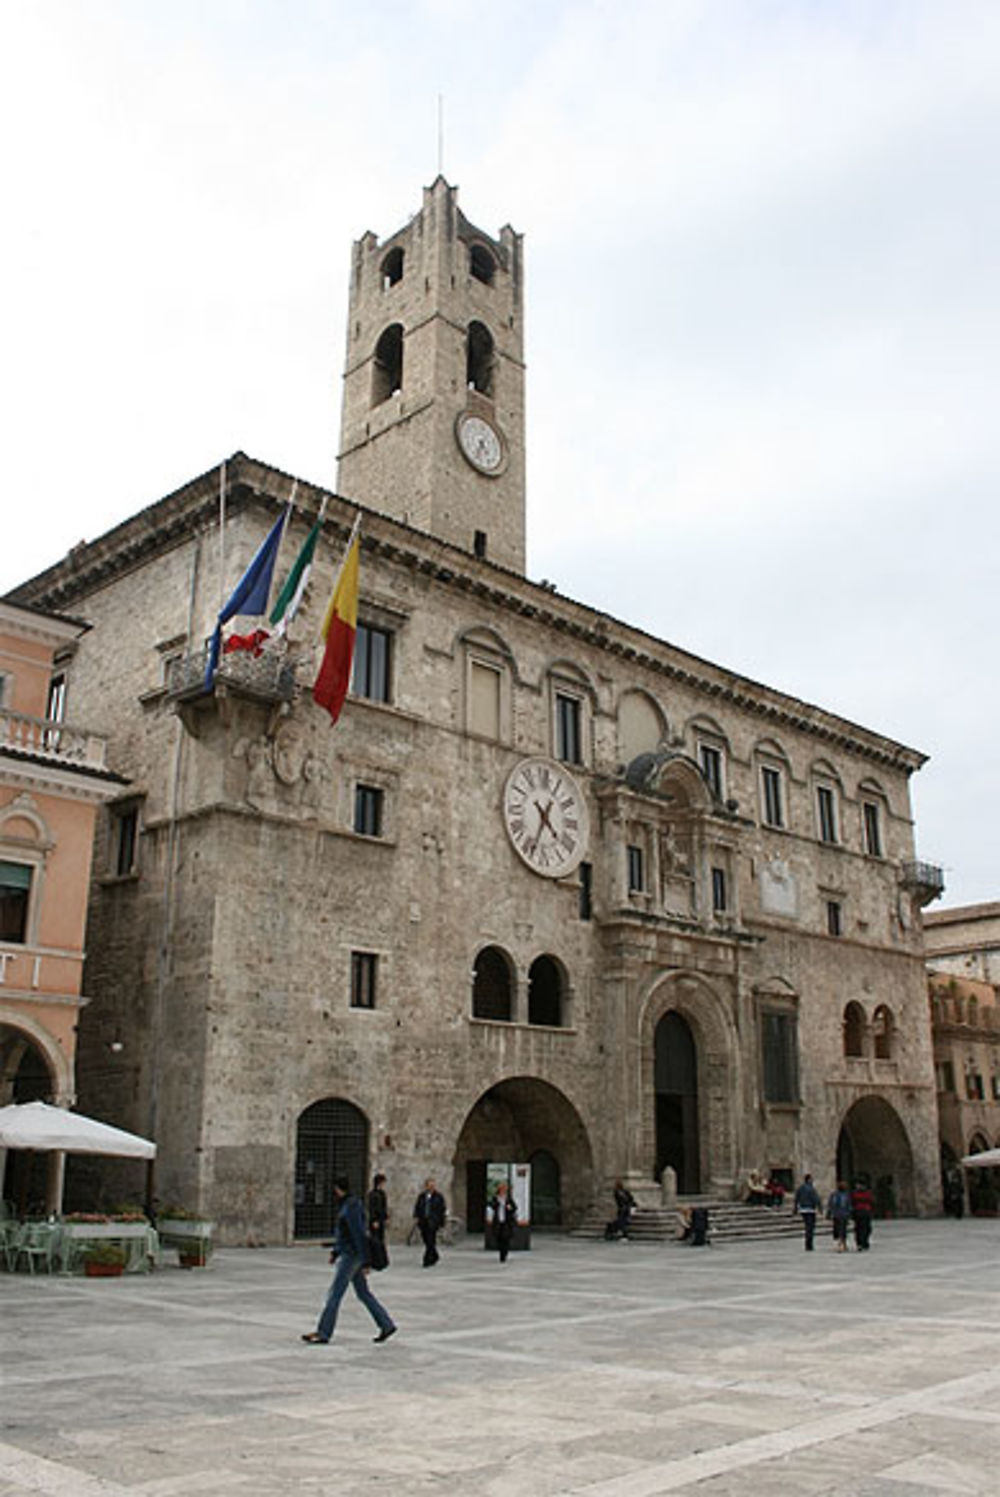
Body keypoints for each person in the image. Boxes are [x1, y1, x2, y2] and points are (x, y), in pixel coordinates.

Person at [301, 1176, 396, 1345]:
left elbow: (358, 1234)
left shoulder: (351, 1206)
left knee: (335, 1294)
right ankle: (386, 1324)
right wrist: (336, 1252)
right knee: (363, 1293)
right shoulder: (348, 1205)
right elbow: (344, 1234)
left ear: (338, 1189)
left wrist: (366, 1261)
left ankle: (323, 1332)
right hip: (349, 1253)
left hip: (352, 1256)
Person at [413, 1177, 446, 1267]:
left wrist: (441, 1221)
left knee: (431, 1239)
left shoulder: (439, 1197)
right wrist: (416, 1216)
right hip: (423, 1221)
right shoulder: (422, 1196)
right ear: (426, 1186)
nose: (431, 1187)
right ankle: (435, 1255)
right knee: (426, 1239)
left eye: (433, 1185)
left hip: (433, 1221)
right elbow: (417, 1207)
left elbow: (442, 1209)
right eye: (429, 1185)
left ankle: (427, 1260)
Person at [487, 1179, 517, 1263]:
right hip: (498, 1221)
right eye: (501, 1190)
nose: (502, 1192)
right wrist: (497, 1204)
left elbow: (514, 1208)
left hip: (506, 1222)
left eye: (504, 1190)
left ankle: (503, 1254)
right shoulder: (495, 1198)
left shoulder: (508, 1199)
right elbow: (491, 1206)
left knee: (505, 1238)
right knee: (498, 1238)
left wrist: (509, 1208)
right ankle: (501, 1251)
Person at [367, 1171, 389, 1271]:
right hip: (375, 1220)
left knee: (380, 1239)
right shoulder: (372, 1194)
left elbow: (384, 1207)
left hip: (381, 1220)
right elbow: (371, 1208)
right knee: (375, 1240)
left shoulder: (382, 1194)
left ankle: (381, 1261)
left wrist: (386, 1218)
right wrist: (374, 1220)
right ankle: (375, 1261)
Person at [793, 1173, 821, 1250]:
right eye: (811, 1179)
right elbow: (816, 1199)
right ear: (809, 1180)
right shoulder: (811, 1189)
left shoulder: (800, 1188)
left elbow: (796, 1198)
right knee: (810, 1227)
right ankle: (809, 1244)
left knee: (807, 1226)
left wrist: (795, 1209)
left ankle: (808, 1243)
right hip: (810, 1209)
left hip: (803, 1209)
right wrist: (819, 1208)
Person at [826, 1180, 852, 1252]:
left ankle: (839, 1244)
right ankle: (842, 1244)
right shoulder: (846, 1195)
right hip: (843, 1215)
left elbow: (831, 1205)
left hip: (836, 1215)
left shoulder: (834, 1195)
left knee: (837, 1229)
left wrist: (829, 1213)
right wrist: (849, 1214)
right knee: (843, 1230)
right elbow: (848, 1206)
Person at [851, 1178, 875, 1251]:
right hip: (861, 1212)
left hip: (862, 1212)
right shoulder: (857, 1193)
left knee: (864, 1228)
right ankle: (861, 1243)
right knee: (861, 1228)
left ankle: (862, 1242)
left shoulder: (865, 1193)